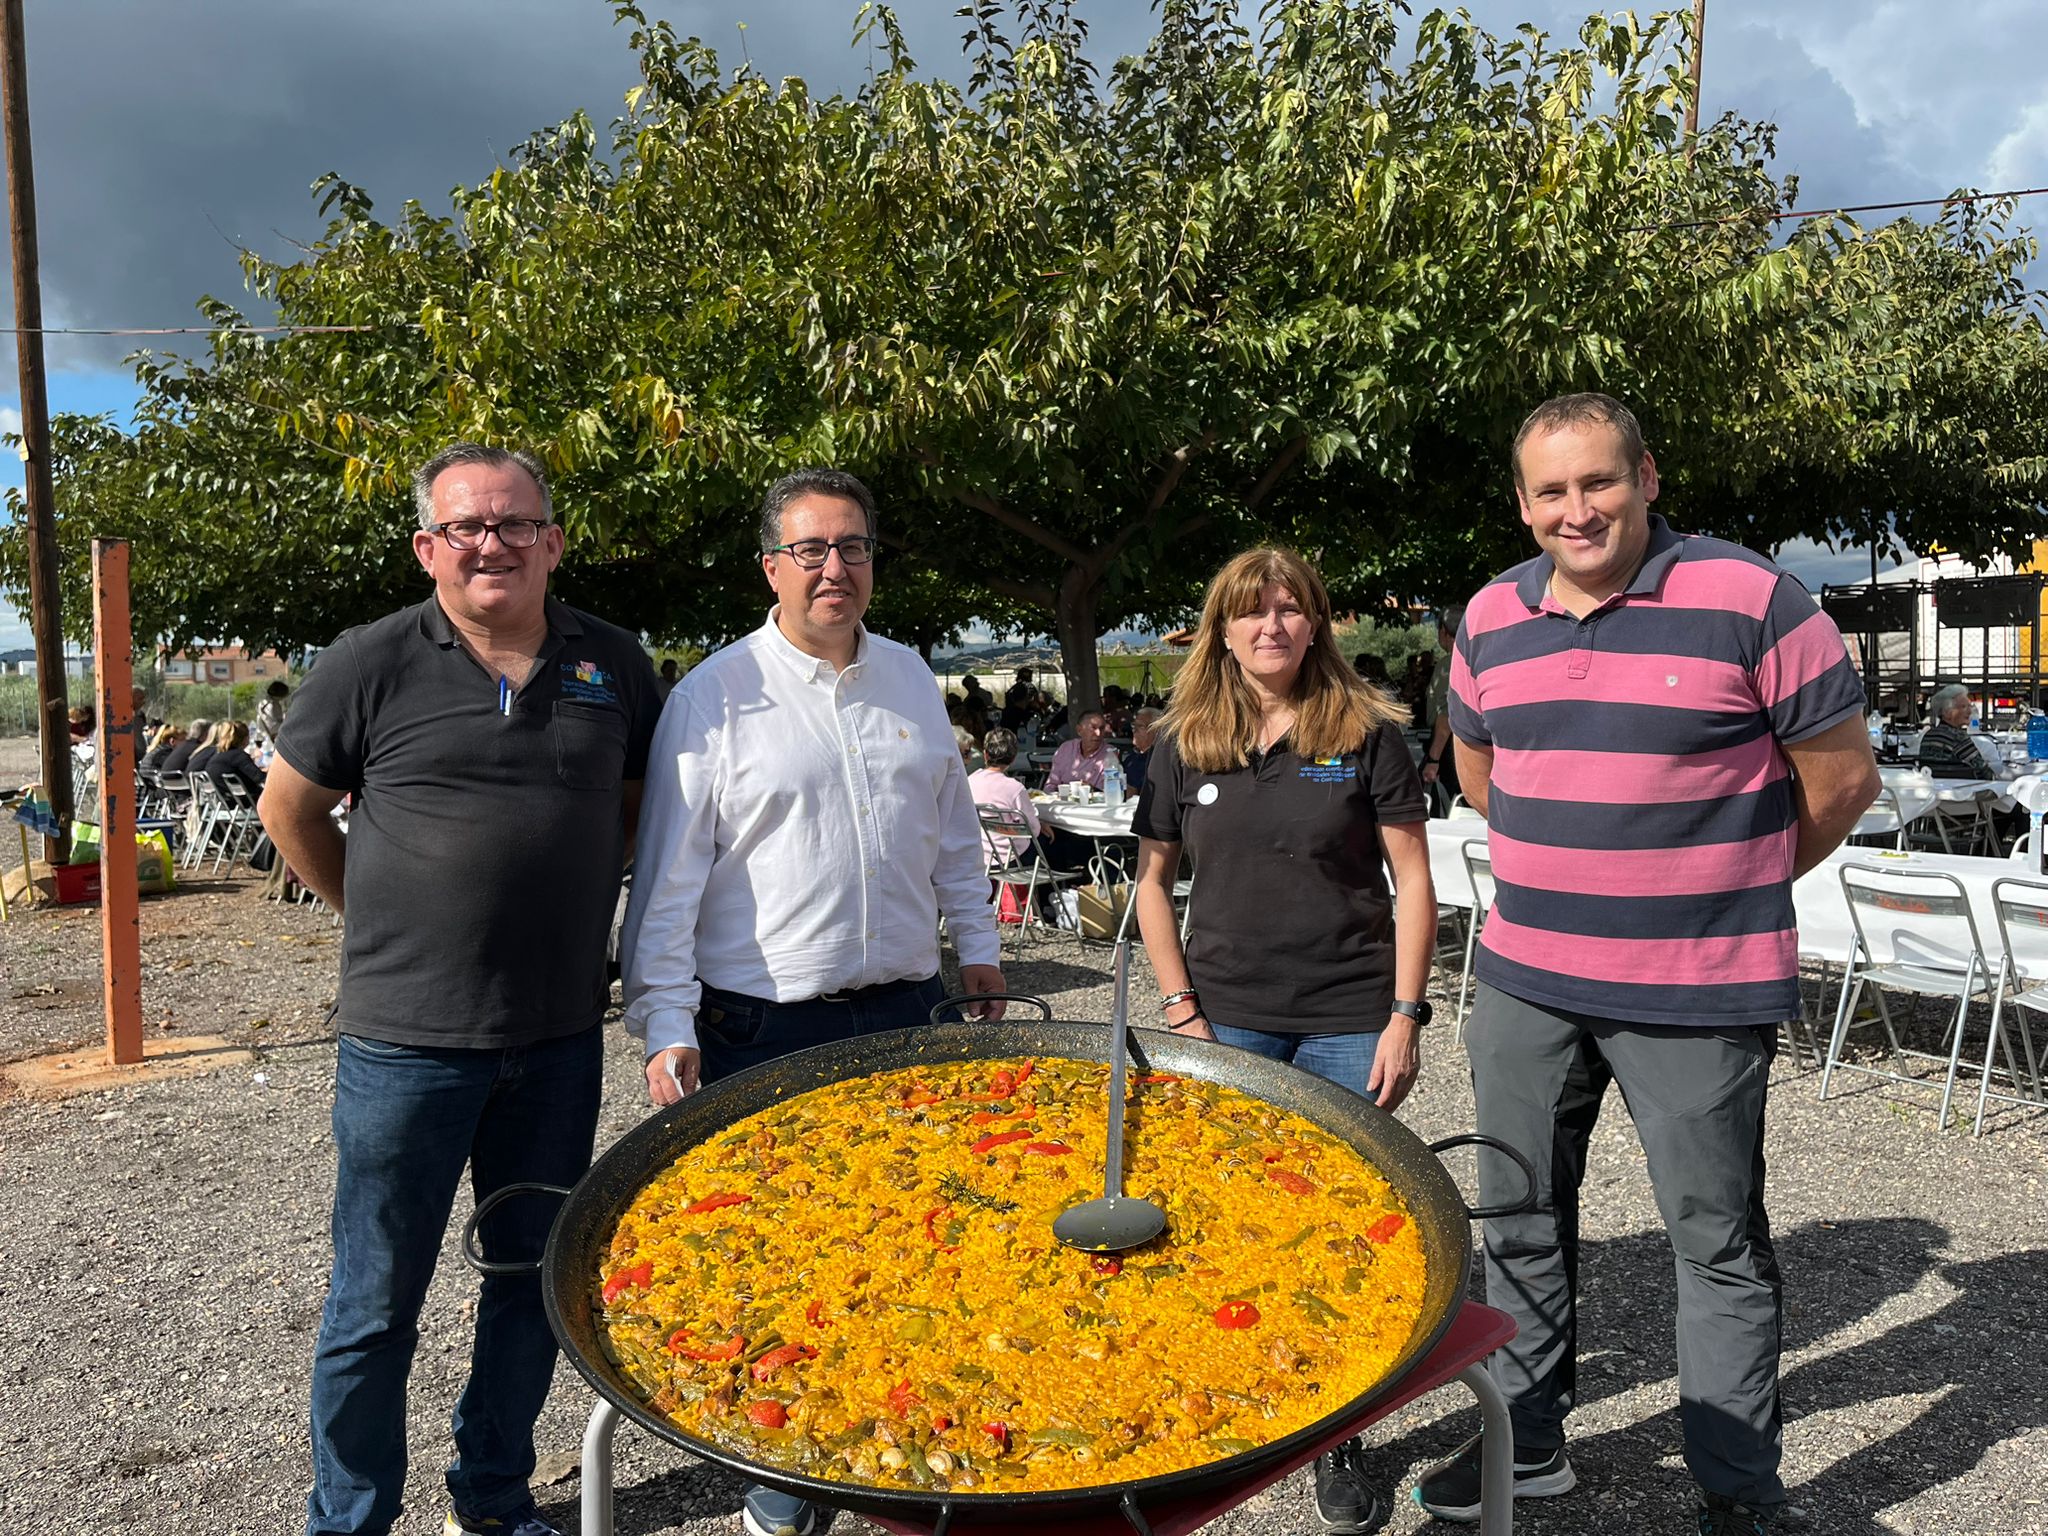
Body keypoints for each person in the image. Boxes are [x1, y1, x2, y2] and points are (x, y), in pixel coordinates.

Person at [1425, 393, 1877, 1533]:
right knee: (1513, 1217)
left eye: (1597, 483)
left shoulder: (1755, 600)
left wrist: (1722, 886)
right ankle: (1523, 1444)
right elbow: (1484, 776)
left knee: (1712, 1239)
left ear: (1646, 477)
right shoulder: (1488, 616)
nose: (1576, 510)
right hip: (1526, 980)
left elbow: (1838, 783)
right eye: (1550, 491)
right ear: (1520, 504)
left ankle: (1733, 1490)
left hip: (1695, 986)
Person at [259, 442, 659, 1536]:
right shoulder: (370, 660)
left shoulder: (614, 663)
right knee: (373, 1303)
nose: (493, 544)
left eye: (516, 523)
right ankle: (350, 1519)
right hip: (406, 1046)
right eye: (468, 527)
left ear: (553, 540)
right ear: (430, 546)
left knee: (532, 1282)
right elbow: (288, 812)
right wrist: (375, 918)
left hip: (560, 1038)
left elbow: (632, 813)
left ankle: (489, 1498)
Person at [619, 466, 1005, 1536]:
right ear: (770, 568)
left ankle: (911, 1457)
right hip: (765, 1028)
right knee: (789, 1275)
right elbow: (667, 884)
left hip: (908, 1015)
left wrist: (976, 949)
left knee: (927, 1250)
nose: (833, 568)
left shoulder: (912, 678)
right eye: (810, 550)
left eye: (853, 547)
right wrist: (663, 1022)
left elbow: (950, 839)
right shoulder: (714, 696)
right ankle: (782, 1495)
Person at [1131, 544, 1434, 1536]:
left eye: (1289, 610)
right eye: (1250, 613)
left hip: (1348, 1020)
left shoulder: (1371, 734)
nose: (1270, 627)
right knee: (1223, 1213)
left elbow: (1411, 883)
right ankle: (1219, 1396)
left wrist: (1404, 1013)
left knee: (1342, 1222)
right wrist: (1181, 1013)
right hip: (1226, 1019)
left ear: (1315, 624)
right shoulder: (1183, 743)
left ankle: (1335, 1425)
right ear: (1220, 629)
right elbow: (1149, 886)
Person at [969, 726, 1041, 862]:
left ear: (985, 754)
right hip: (1012, 856)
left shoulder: (971, 780)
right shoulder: (1015, 788)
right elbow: (1033, 829)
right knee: (1049, 841)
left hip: (981, 854)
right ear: (1013, 758)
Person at [1418, 604, 1465, 810]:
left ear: (1444, 632)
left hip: (1448, 750)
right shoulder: (1477, 658)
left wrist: (1433, 759)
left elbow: (1446, 716)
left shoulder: (1450, 664)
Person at [1917, 684, 1988, 779]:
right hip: (1959, 791)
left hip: (1933, 789)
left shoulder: (1928, 736)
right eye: (1963, 707)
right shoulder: (1958, 737)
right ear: (1947, 713)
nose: (1970, 711)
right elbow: (1984, 772)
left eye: (1969, 706)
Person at [1045, 708, 1113, 791]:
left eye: (1102, 728)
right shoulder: (1066, 749)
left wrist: (1090, 790)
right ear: (1079, 730)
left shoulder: (1110, 753)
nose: (1098, 733)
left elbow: (1110, 791)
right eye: (1093, 728)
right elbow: (1051, 785)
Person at [205, 719, 267, 799]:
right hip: (248, 800)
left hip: (226, 800)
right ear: (245, 738)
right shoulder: (239, 756)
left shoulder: (216, 757)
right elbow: (261, 778)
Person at [1123, 706, 1162, 794]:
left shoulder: (1159, 759)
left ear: (1156, 730)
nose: (1134, 730)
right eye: (1133, 725)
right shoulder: (1130, 759)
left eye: (1140, 726)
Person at [257, 679, 292, 746]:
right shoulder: (272, 705)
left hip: (263, 736)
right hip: (270, 739)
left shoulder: (263, 703)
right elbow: (273, 725)